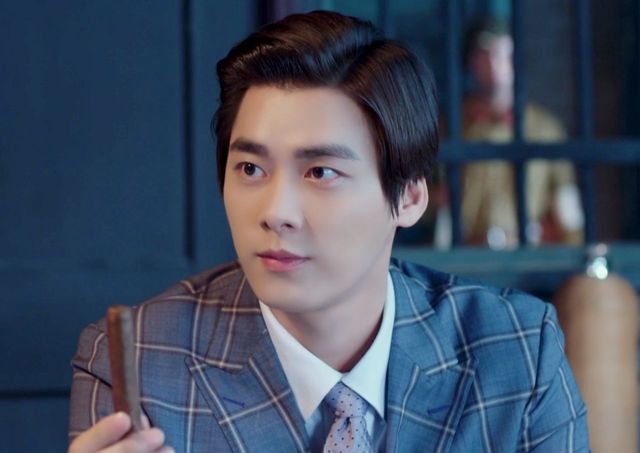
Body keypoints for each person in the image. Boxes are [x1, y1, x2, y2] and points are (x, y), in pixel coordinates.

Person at [68, 10, 588, 452]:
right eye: (250, 168)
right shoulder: (139, 364)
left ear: (409, 196)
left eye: (320, 172)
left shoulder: (517, 352)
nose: (277, 212)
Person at [436, 20, 584, 249]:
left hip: (528, 254)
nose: (495, 64)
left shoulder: (545, 129)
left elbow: (566, 203)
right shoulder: (449, 126)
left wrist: (572, 250)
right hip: (465, 255)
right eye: (485, 55)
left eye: (504, 54)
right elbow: (424, 197)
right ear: (471, 62)